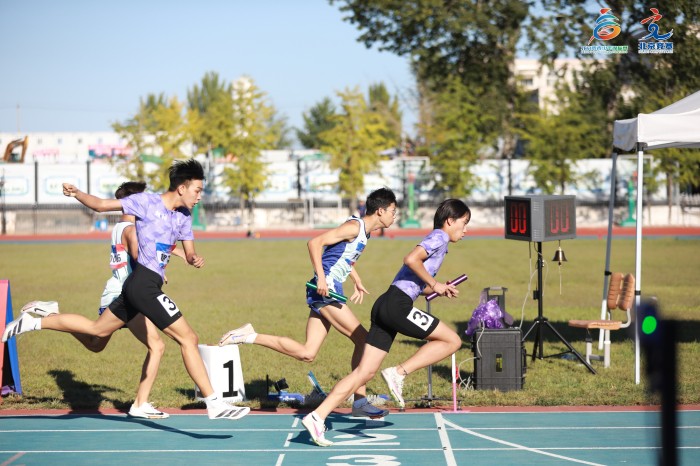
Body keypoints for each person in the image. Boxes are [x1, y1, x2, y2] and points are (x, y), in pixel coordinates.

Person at [3, 159, 249, 421]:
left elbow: (189, 252)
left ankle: (33, 322)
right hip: (143, 286)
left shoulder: (184, 217)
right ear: (181, 188)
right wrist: (77, 193)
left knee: (97, 331)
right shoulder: (146, 202)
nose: (200, 197)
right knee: (188, 339)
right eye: (197, 190)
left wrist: (193, 258)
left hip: (140, 286)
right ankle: (214, 403)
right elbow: (101, 205)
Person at [301, 198, 470, 446]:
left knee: (363, 373)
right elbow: (410, 259)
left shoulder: (438, 240)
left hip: (387, 304)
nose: (465, 230)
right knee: (452, 340)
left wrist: (438, 287)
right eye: (464, 224)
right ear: (450, 221)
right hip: (397, 307)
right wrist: (434, 284)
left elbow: (410, 281)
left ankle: (317, 416)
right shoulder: (439, 238)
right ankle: (398, 372)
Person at [218, 187, 398, 419]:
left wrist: (356, 279)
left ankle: (248, 336)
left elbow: (341, 256)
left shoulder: (364, 232)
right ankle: (360, 401)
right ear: (380, 211)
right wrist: (321, 278)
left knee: (307, 353)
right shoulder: (354, 227)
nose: (395, 216)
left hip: (328, 289)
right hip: (325, 290)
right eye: (393, 211)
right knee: (364, 340)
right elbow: (315, 243)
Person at [20, 181, 184, 419]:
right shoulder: (131, 230)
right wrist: (157, 272)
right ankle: (140, 404)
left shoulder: (121, 227)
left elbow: (149, 247)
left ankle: (53, 315)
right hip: (128, 294)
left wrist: (177, 252)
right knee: (156, 346)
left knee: (95, 343)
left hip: (115, 289)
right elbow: (140, 255)